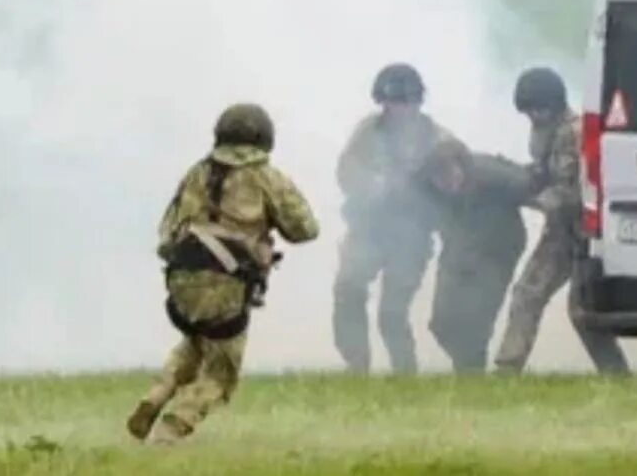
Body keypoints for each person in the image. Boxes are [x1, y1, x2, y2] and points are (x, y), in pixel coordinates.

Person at [127, 104, 318, 444]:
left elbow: (167, 232)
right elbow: (304, 228)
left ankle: (157, 393)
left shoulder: (197, 172)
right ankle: (172, 428)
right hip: (227, 283)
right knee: (222, 371)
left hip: (181, 278)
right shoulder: (266, 177)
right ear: (264, 138)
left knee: (196, 343)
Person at [494, 67, 630, 375]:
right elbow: (544, 173)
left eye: (538, 109)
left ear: (554, 104)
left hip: (585, 232)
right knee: (528, 293)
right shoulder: (545, 132)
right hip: (560, 233)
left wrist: (530, 200)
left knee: (582, 310)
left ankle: (616, 373)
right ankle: (507, 367)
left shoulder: (575, 133)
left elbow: (572, 192)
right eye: (528, 110)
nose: (533, 116)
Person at [332, 62, 443, 375]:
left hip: (411, 237)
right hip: (368, 230)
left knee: (392, 313)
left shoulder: (436, 138)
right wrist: (375, 185)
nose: (399, 109)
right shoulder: (368, 131)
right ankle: (356, 365)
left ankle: (405, 373)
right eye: (393, 102)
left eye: (406, 102)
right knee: (348, 291)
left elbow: (452, 185)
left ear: (418, 102)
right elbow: (346, 171)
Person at [425, 135, 534, 374]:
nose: (446, 183)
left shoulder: (491, 174)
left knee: (477, 321)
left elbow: (528, 184)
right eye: (438, 179)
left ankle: (471, 375)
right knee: (441, 323)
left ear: (461, 166)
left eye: (449, 175)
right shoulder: (425, 188)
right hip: (457, 253)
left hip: (497, 254)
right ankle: (467, 367)